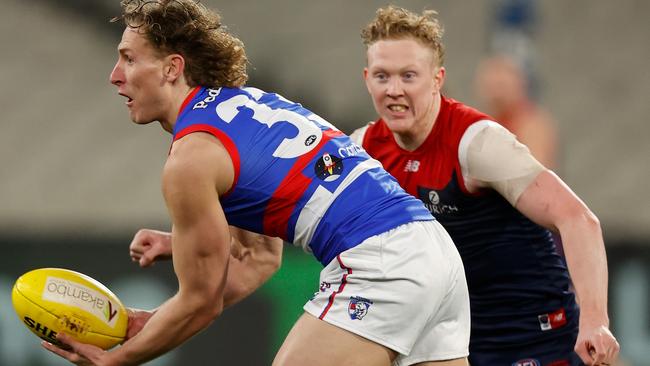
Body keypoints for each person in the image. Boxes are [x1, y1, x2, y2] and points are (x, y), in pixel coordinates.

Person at [42, 1, 470, 365]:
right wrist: (159, 308)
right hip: (435, 252)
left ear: (173, 68)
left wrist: (117, 358)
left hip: (382, 264)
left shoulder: (191, 160)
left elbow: (200, 302)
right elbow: (258, 258)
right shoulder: (247, 104)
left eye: (130, 58)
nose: (115, 75)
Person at [350, 6, 619, 366]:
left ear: (437, 79)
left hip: (531, 334)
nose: (394, 90)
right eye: (382, 76)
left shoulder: (477, 143)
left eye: (408, 76)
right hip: (449, 340)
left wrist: (595, 320)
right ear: (367, 78)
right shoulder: (363, 149)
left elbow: (578, 219)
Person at [474, 54, 558, 168]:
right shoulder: (483, 123)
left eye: (501, 85)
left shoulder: (531, 123)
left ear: (519, 85)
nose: (496, 94)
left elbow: (534, 172)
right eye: (491, 86)